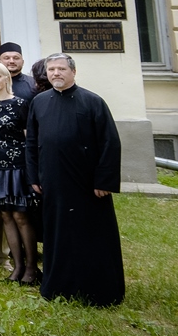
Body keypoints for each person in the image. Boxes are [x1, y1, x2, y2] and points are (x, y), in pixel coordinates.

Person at [26, 54, 124, 306]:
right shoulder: (39, 102)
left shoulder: (92, 102)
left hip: (87, 184)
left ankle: (98, 289)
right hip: (53, 181)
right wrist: (34, 176)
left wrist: (104, 181)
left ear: (73, 72)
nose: (56, 73)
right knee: (57, 234)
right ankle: (58, 286)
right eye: (51, 69)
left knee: (91, 234)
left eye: (61, 69)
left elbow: (110, 143)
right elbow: (32, 142)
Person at [0, 61, 37, 283]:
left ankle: (31, 268)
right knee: (5, 215)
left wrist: (31, 169)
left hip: (18, 166)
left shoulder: (20, 104)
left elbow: (29, 138)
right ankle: (17, 266)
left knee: (21, 215)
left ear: (6, 78)